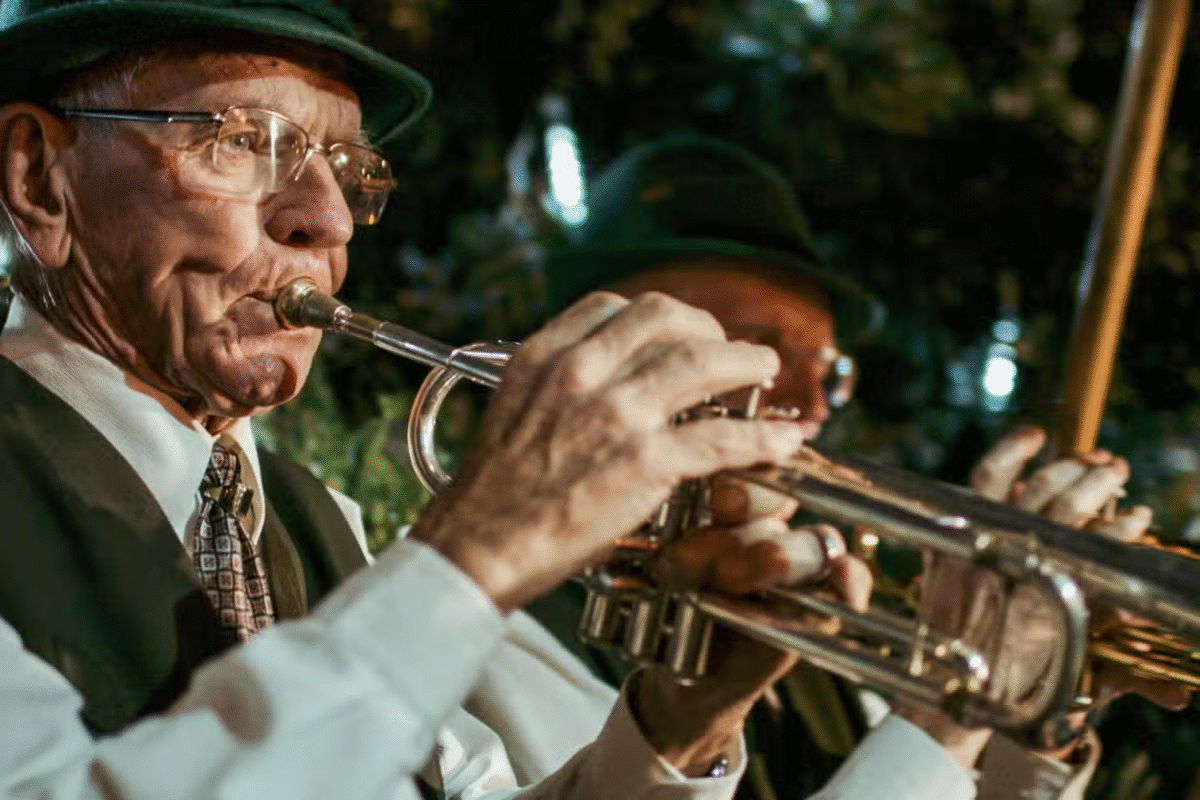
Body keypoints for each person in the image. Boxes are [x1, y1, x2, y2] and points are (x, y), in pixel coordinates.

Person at [0, 3, 1167, 799]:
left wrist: (673, 729)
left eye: (349, 171)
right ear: (37, 177)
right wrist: (482, 544)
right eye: (242, 140)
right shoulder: (417, 566)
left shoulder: (318, 527)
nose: (329, 219)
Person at [463, 135, 1178, 800]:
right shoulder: (494, 625)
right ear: (603, 348)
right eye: (758, 351)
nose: (809, 405)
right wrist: (943, 720)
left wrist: (1031, 711)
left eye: (829, 373)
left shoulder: (829, 652)